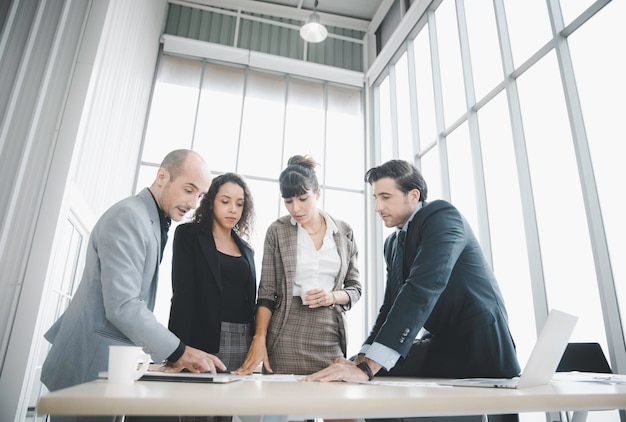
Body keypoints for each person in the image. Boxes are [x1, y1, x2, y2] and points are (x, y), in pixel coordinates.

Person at [40, 149, 225, 422]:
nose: (193, 202)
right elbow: (124, 305)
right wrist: (179, 353)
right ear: (162, 176)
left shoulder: (148, 219)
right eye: (189, 189)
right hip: (89, 365)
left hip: (108, 366)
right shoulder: (129, 217)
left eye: (199, 195)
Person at [305, 159, 520, 383]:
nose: (377, 207)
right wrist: (362, 357)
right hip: (440, 343)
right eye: (376, 198)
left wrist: (367, 368)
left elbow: (423, 287)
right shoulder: (393, 244)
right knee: (353, 371)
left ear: (413, 195)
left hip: (480, 342)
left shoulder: (442, 217)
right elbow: (390, 305)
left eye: (386, 197)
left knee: (368, 373)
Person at [234, 155, 362, 376]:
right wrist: (259, 337)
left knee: (332, 403)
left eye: (303, 198)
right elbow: (266, 292)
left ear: (317, 193)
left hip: (329, 332)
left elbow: (355, 289)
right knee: (280, 405)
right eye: (288, 201)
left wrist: (331, 297)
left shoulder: (343, 231)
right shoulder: (278, 230)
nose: (295, 208)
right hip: (286, 331)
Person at [169, 172, 256, 373]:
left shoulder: (247, 249)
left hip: (241, 339)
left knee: (234, 401)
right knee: (197, 400)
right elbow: (182, 294)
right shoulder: (188, 236)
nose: (233, 209)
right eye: (225, 201)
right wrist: (176, 351)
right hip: (201, 337)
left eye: (240, 204)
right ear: (210, 203)